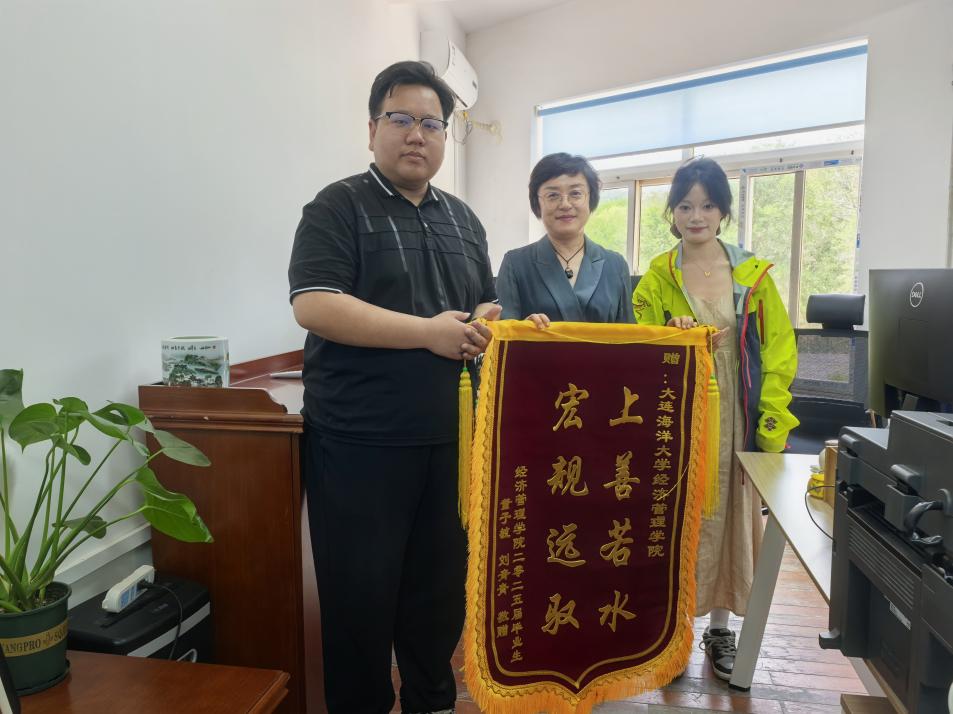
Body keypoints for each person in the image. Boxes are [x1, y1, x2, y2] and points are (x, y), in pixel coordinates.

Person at [288, 61, 500, 714]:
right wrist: (427, 334)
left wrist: (485, 323)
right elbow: (315, 304)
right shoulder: (337, 206)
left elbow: (484, 305)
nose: (416, 135)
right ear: (372, 128)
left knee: (437, 601)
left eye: (431, 124)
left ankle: (432, 702)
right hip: (360, 446)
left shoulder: (463, 220)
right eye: (401, 119)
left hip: (451, 444)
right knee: (358, 604)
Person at [632, 157, 798, 681]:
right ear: (672, 213)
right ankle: (673, 628)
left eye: (706, 206)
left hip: (736, 411)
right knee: (677, 510)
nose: (696, 216)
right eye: (685, 206)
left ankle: (720, 629)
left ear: (723, 211)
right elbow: (638, 332)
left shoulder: (753, 275)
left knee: (726, 513)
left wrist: (771, 422)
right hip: (677, 409)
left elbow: (779, 352)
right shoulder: (659, 273)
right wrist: (671, 329)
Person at [496, 153, 634, 327]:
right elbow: (503, 334)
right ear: (537, 203)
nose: (565, 204)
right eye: (553, 195)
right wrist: (524, 329)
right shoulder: (515, 264)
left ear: (590, 198)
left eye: (575, 193)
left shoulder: (615, 265)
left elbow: (629, 336)